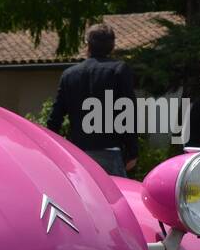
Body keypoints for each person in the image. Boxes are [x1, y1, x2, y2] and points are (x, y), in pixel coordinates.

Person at [46, 22, 140, 176]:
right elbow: (128, 113)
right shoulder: (119, 71)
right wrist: (132, 151)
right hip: (110, 151)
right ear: (112, 46)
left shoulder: (69, 75)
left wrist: (51, 149)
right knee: (113, 199)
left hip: (78, 153)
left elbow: (55, 118)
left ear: (87, 45)